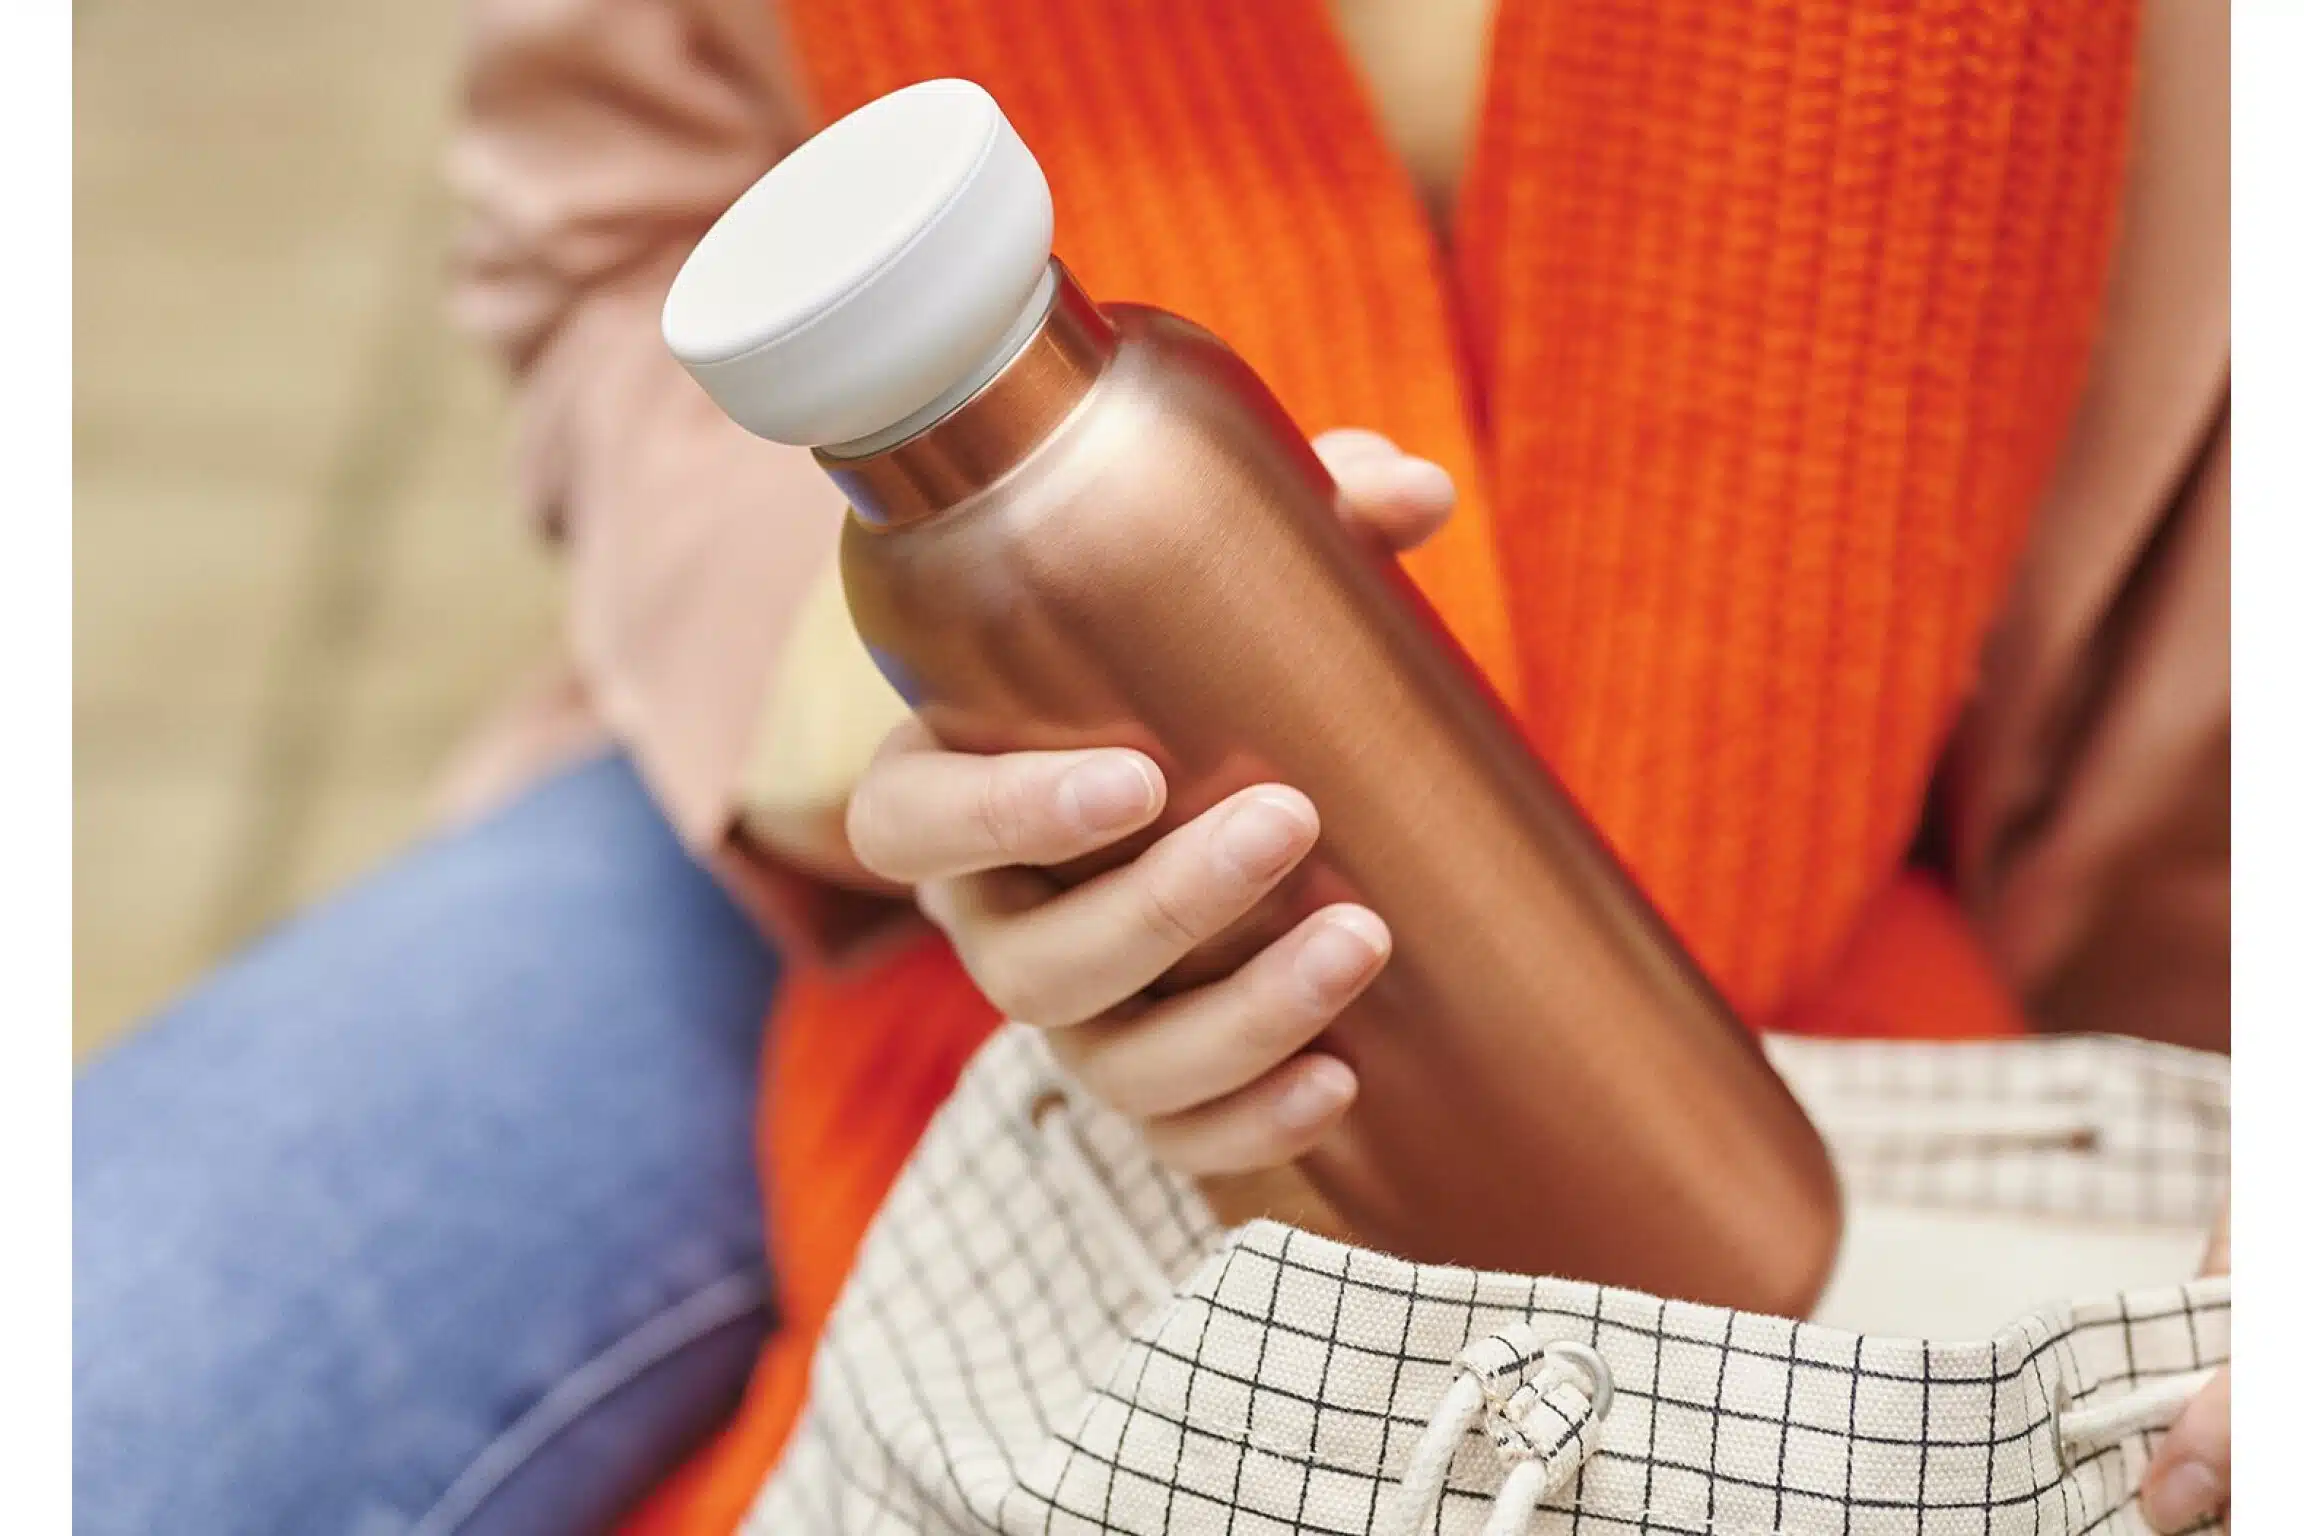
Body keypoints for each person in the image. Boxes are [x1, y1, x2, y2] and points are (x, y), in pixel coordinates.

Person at [74, 0, 2232, 1532]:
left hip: (1990, 877)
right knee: (97, 1388)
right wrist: (926, 726)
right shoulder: (990, 562)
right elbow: (606, 237)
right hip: (856, 885)